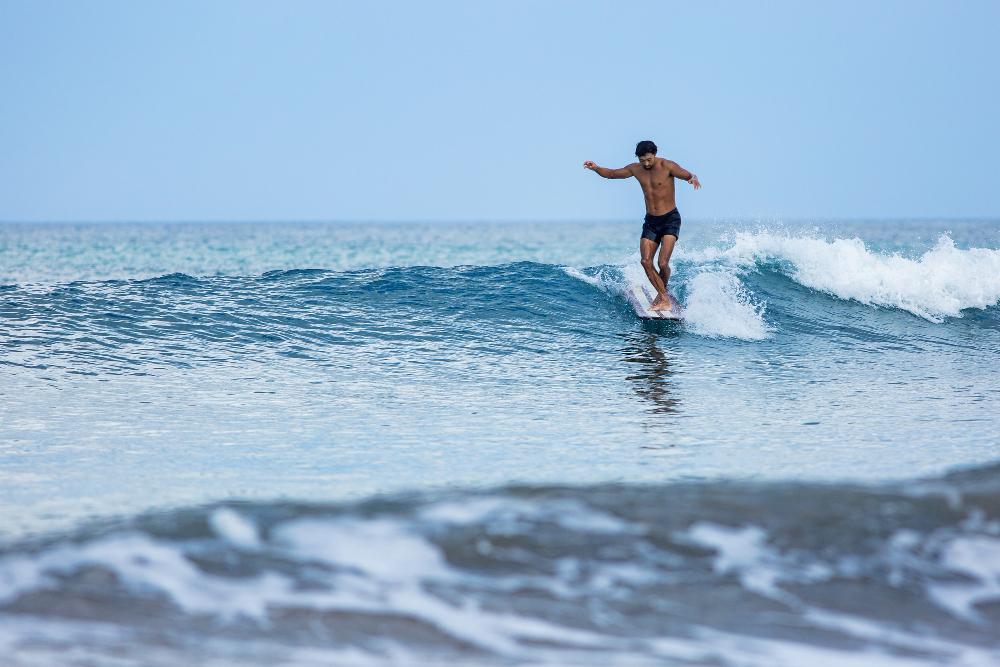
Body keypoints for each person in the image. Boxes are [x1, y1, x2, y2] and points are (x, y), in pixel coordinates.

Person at [584, 140, 701, 311]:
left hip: (670, 219)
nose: (646, 164)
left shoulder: (667, 166)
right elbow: (611, 174)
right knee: (646, 261)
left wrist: (693, 179)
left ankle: (663, 294)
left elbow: (688, 174)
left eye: (649, 160)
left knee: (662, 263)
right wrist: (596, 168)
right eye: (642, 160)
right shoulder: (635, 169)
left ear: (654, 154)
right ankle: (663, 295)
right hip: (651, 221)